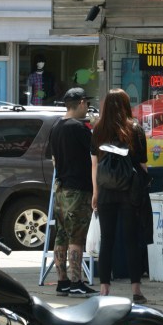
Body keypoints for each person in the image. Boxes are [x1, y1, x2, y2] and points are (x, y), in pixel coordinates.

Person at [91, 88, 148, 304]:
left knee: (107, 240)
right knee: (132, 240)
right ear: (126, 105)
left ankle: (104, 289)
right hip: (129, 192)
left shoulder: (98, 130)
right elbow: (143, 165)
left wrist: (95, 193)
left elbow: (94, 164)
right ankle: (136, 290)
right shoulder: (135, 129)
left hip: (106, 191)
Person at [50, 87, 97, 298]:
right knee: (77, 237)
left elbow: (53, 159)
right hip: (78, 189)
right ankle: (77, 281)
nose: (87, 107)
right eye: (86, 103)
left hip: (60, 188)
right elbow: (96, 153)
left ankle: (63, 282)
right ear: (79, 103)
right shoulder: (79, 128)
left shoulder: (56, 126)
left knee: (61, 235)